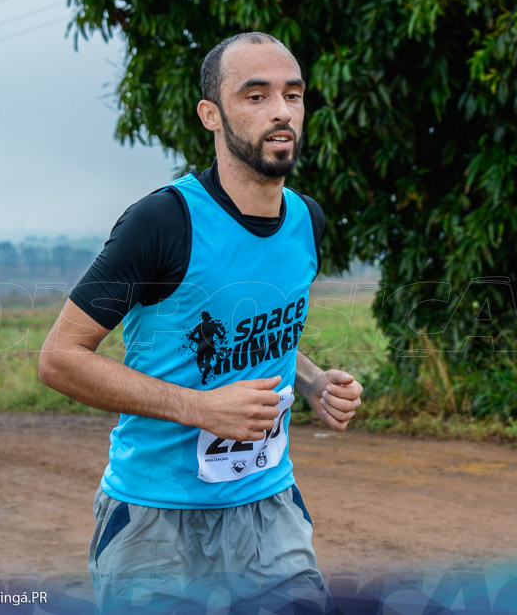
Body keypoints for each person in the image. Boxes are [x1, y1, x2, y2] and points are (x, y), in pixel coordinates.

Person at [38, 32, 364, 613]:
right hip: (155, 522)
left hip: (268, 510)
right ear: (211, 114)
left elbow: (258, 330)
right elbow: (60, 358)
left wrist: (312, 382)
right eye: (256, 96)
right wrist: (200, 407)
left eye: (293, 95)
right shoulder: (162, 222)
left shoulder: (305, 222)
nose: (282, 111)